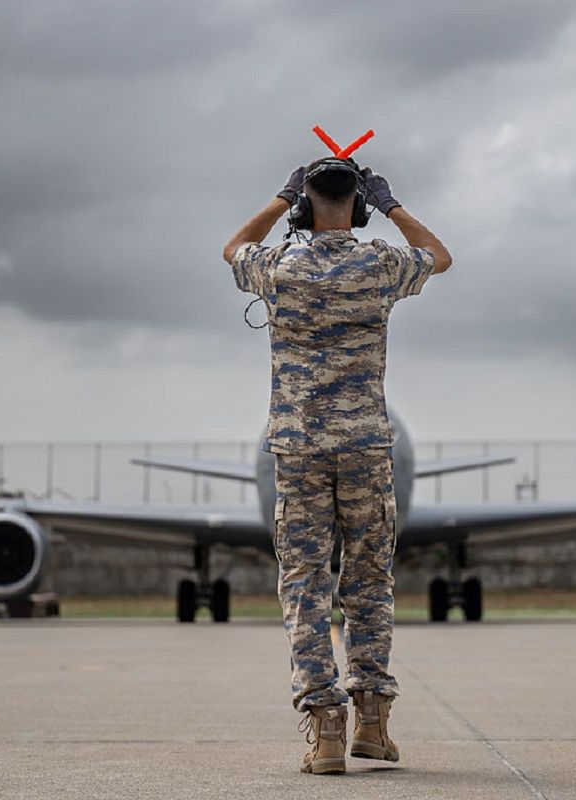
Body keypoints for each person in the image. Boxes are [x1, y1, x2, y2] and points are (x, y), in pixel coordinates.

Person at [223, 156, 451, 774]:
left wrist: (283, 197)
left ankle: (325, 732)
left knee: (306, 585)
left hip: (298, 451)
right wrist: (389, 204)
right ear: (358, 207)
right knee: (369, 582)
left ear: (302, 209)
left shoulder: (279, 266)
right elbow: (440, 255)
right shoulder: (378, 263)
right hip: (365, 449)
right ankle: (373, 722)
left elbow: (234, 247)